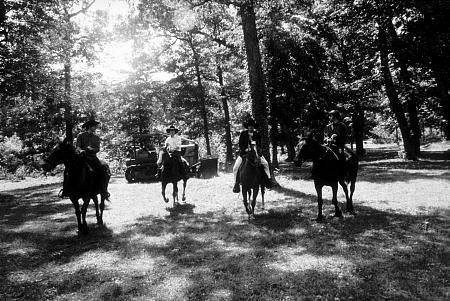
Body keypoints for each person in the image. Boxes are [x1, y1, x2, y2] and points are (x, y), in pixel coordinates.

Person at [60, 119, 109, 198]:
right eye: (94, 126)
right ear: (90, 127)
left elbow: (98, 148)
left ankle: (103, 189)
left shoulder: (96, 137)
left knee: (101, 169)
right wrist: (81, 150)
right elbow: (78, 146)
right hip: (81, 156)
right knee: (68, 170)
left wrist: (92, 150)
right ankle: (66, 190)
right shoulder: (81, 135)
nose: (95, 128)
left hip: (92, 157)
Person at [232, 118, 273, 193]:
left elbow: (259, 144)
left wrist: (257, 150)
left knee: (266, 164)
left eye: (252, 126)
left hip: (256, 154)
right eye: (249, 126)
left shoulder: (257, 134)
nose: (251, 127)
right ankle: (236, 185)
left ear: (254, 127)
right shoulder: (243, 134)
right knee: (235, 168)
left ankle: (268, 181)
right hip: (244, 154)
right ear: (247, 127)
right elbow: (240, 144)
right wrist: (245, 149)